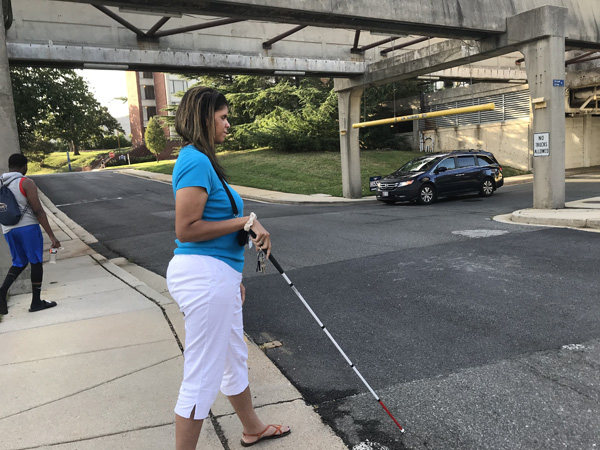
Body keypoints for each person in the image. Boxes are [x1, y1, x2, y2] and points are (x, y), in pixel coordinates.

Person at [166, 86, 291, 449]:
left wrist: (230, 278)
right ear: (205, 118)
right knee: (202, 375)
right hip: (204, 277)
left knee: (233, 356)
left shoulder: (202, 161)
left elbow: (210, 224)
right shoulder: (194, 160)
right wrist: (244, 222)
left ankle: (252, 428)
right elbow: (186, 228)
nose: (228, 124)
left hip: (217, 277)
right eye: (222, 117)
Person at [0, 153, 60, 315]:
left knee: (19, 262)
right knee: (35, 261)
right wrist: (52, 236)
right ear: (24, 166)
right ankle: (36, 302)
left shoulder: (0, 182)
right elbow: (38, 211)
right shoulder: (25, 182)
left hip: (8, 229)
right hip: (27, 228)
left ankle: (2, 291)